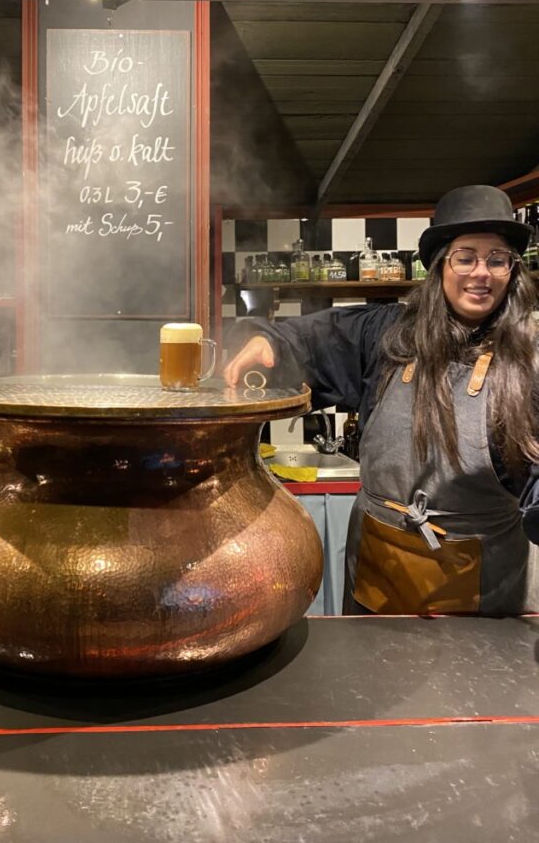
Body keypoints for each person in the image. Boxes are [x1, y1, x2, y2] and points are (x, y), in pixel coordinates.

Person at [224, 185, 539, 615]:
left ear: (512, 270)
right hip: (377, 576)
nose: (480, 273)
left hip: (483, 594)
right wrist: (269, 343)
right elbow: (314, 337)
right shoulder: (389, 332)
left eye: (497, 259)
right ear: (440, 265)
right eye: (465, 256)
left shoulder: (528, 356)